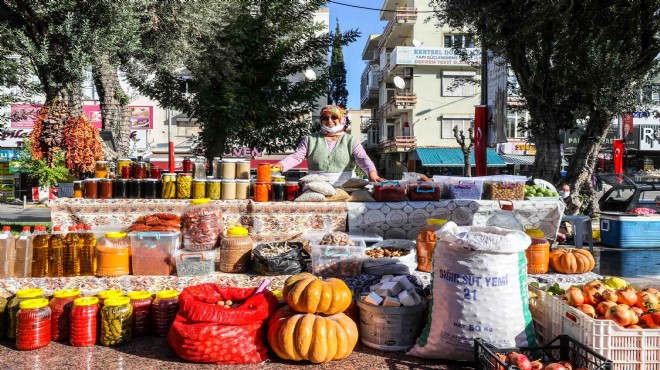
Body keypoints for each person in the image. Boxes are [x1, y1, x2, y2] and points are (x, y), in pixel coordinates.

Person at [274, 105, 386, 185]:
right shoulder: (310, 139)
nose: (329, 120)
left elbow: (363, 159)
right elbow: (296, 157)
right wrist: (280, 165)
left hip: (346, 187)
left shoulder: (351, 140)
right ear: (321, 121)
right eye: (325, 118)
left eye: (334, 117)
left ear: (342, 119)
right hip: (315, 187)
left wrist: (373, 174)